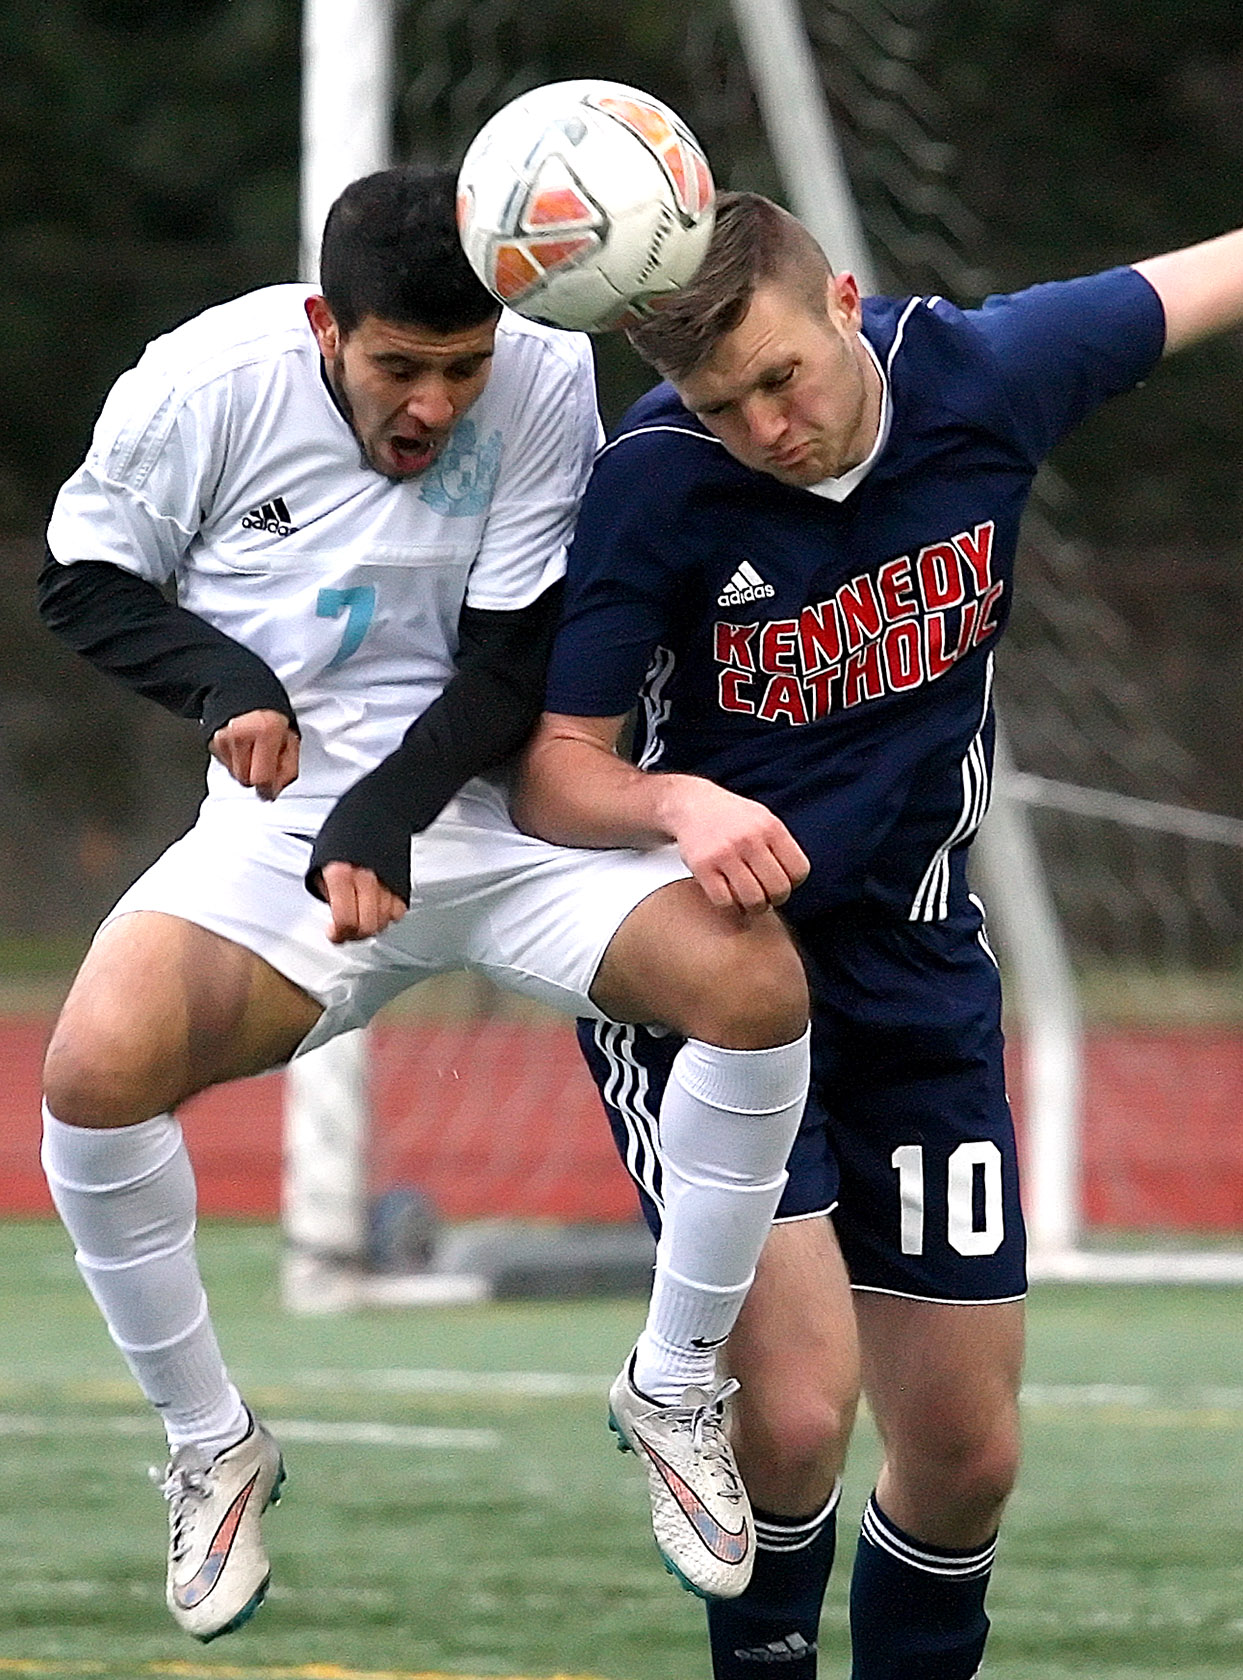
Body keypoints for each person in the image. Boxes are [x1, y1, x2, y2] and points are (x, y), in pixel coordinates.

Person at [37, 167, 816, 1642]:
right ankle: (213, 1444)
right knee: (88, 1075)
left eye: (463, 369)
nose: (438, 404)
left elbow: (522, 657)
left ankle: (670, 1386)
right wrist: (230, 688)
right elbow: (82, 582)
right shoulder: (200, 383)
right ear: (330, 326)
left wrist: (388, 813)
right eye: (403, 367)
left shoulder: (544, 369)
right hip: (279, 841)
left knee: (755, 983)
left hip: (500, 814)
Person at [514, 191, 1243, 1679]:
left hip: (917, 963)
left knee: (967, 1455)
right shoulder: (656, 482)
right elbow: (552, 772)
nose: (767, 425)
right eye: (725, 405)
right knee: (790, 1420)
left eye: (783, 378)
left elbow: (1201, 273)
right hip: (718, 978)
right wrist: (676, 806)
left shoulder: (988, 371)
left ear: (844, 301)